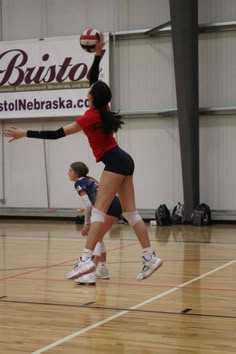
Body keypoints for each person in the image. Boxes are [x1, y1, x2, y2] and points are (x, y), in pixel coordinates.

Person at [3, 33, 163, 281]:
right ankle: (150, 256)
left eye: (89, 91)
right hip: (123, 159)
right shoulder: (103, 108)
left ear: (91, 97)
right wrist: (98, 56)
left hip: (115, 161)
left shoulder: (90, 117)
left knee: (98, 211)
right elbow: (93, 80)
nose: (87, 91)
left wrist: (26, 133)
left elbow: (57, 134)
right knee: (131, 214)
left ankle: (86, 258)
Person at [68, 161, 122, 285]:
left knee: (96, 238)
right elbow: (94, 199)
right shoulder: (90, 179)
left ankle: (90, 274)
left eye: (70, 171)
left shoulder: (79, 183)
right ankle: (102, 270)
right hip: (115, 203)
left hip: (108, 205)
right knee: (99, 237)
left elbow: (88, 204)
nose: (68, 173)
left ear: (76, 173)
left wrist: (86, 224)